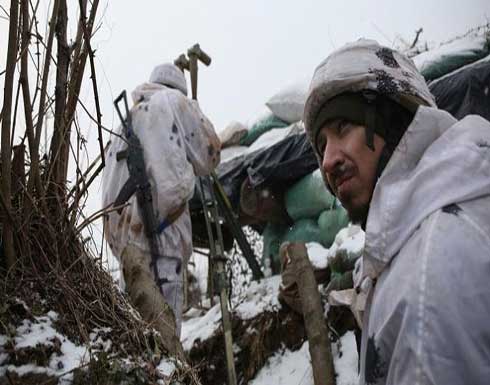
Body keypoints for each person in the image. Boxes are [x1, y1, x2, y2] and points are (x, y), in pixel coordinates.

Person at [303, 39, 490, 385]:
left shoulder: (427, 275)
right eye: (321, 145)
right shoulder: (443, 214)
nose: (328, 160)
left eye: (343, 127)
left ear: (392, 121)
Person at [102, 63, 220, 352]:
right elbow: (209, 156)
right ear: (179, 88)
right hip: (164, 243)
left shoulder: (121, 122)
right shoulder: (175, 102)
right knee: (165, 341)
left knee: (135, 340)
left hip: (127, 251)